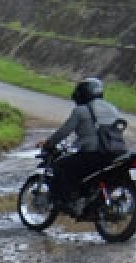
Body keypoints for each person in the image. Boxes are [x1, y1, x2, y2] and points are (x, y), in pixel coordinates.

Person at [35, 77, 123, 214]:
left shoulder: (81, 110)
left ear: (82, 94)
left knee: (60, 165)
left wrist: (48, 143)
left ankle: (69, 202)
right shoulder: (113, 109)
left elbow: (64, 131)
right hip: (116, 154)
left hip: (93, 154)